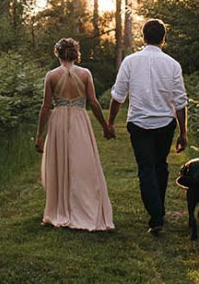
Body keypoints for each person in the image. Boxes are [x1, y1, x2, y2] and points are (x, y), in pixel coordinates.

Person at [108, 18, 188, 234]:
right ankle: (158, 214)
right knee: (160, 165)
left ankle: (157, 216)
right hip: (165, 123)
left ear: (143, 37)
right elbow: (180, 102)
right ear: (164, 38)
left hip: (139, 123)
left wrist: (110, 122)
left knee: (146, 168)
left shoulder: (130, 62)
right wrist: (183, 132)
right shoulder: (173, 65)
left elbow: (118, 95)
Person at [35, 37, 115, 231]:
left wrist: (39, 135)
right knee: (83, 163)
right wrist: (105, 125)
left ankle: (61, 208)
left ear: (58, 53)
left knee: (62, 163)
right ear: (76, 53)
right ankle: (84, 206)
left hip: (59, 121)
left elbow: (46, 106)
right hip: (80, 120)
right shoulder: (85, 73)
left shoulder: (51, 75)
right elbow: (94, 102)